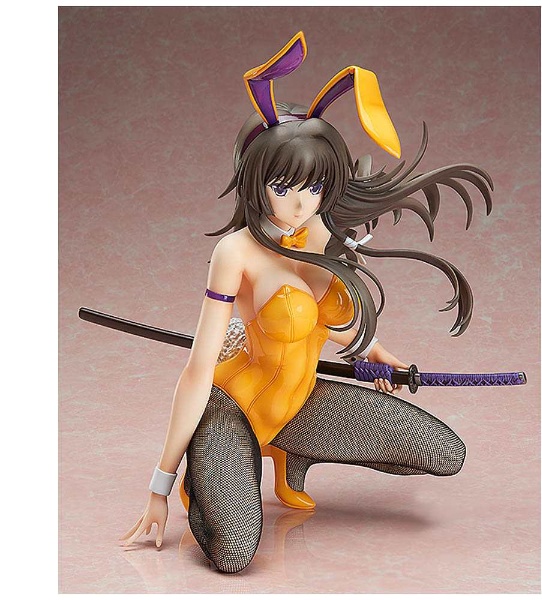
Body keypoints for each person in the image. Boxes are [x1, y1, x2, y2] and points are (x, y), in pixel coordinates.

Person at [120, 32, 493, 573]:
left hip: (300, 404)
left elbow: (324, 320)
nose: (300, 204)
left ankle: (290, 452)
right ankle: (210, 473)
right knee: (234, 552)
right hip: (234, 407)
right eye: (283, 186)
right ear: (255, 181)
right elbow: (197, 372)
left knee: (443, 451)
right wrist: (160, 483)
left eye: (314, 188)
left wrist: (373, 349)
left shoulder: (320, 231)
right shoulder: (236, 253)